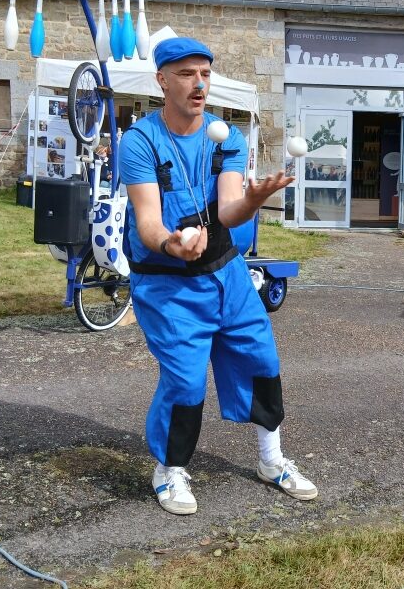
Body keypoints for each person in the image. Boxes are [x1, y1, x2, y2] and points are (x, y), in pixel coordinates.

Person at [119, 37, 317, 515]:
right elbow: (147, 220)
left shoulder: (226, 136)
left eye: (205, 73)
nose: (199, 83)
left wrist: (252, 200)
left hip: (226, 274)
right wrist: (173, 242)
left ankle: (272, 460)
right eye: (187, 74)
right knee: (186, 383)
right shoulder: (139, 140)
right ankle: (169, 468)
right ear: (161, 80)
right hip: (168, 284)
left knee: (263, 362)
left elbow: (227, 209)